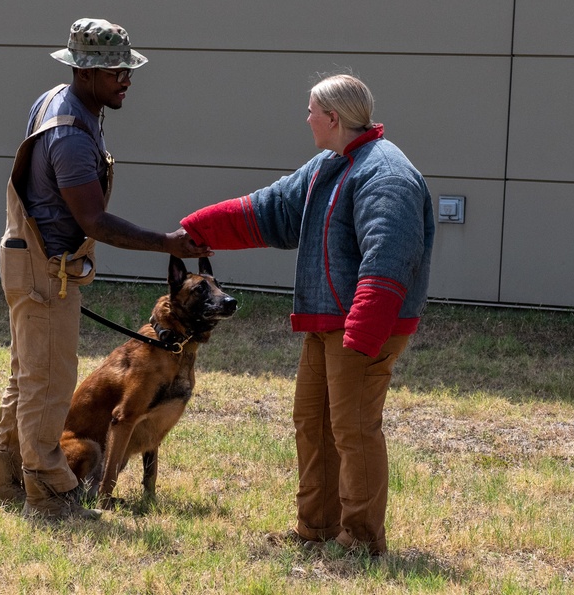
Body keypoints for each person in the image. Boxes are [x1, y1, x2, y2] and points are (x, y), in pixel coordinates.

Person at [180, 74, 434, 555]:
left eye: (312, 110)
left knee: (354, 429)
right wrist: (195, 230)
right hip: (326, 324)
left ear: (333, 118)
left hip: (362, 326)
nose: (307, 119)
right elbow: (270, 210)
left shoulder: (387, 172)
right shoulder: (329, 164)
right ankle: (316, 528)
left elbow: (391, 254)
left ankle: (362, 540)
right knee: (312, 423)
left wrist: (363, 330)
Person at [0, 18, 210, 521]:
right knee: (49, 383)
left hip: (33, 259)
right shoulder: (72, 135)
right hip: (44, 268)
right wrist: (166, 243)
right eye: (115, 71)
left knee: (27, 377)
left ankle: (2, 480)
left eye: (129, 69)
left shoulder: (62, 101)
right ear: (84, 73)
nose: (126, 79)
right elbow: (92, 219)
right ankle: (51, 491)